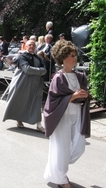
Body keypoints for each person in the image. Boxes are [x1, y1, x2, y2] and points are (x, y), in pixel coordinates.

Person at [43, 40, 90, 188]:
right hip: (61, 117)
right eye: (71, 55)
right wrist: (73, 96)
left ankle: (56, 169)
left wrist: (85, 95)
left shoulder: (80, 76)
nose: (75, 57)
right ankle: (61, 179)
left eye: (75, 54)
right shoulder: (58, 78)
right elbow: (53, 100)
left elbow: (82, 95)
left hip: (76, 114)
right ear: (63, 58)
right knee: (62, 149)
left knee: (79, 147)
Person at [2, 40, 46, 132]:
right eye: (30, 45)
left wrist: (39, 70)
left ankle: (39, 124)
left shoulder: (38, 57)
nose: (31, 46)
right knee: (20, 101)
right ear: (26, 46)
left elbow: (45, 70)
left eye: (33, 45)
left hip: (36, 84)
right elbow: (27, 69)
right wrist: (40, 71)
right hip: (22, 83)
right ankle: (19, 120)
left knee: (36, 103)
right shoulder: (22, 56)